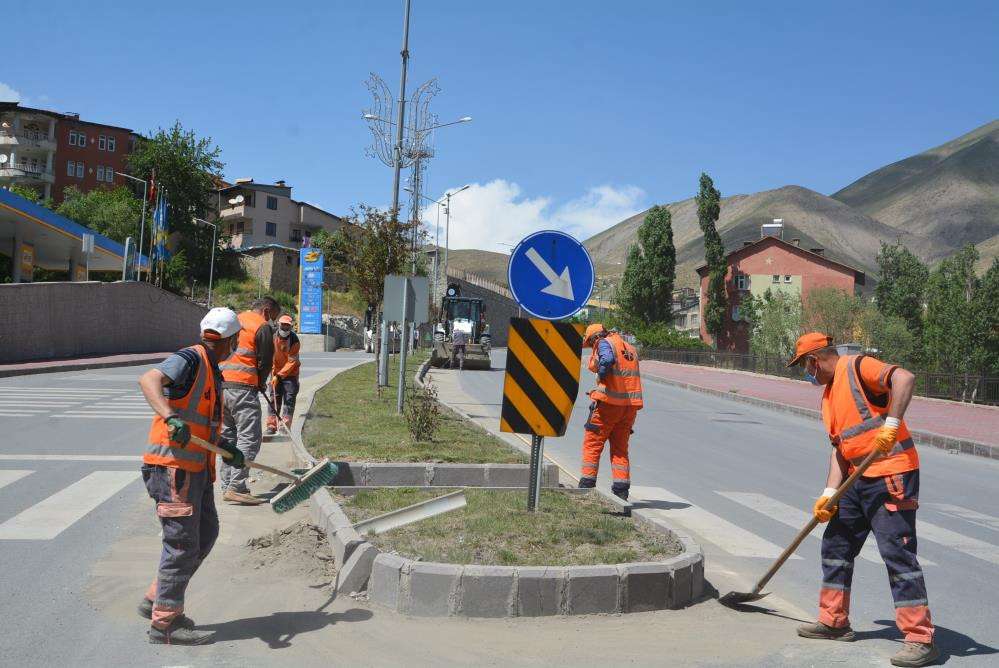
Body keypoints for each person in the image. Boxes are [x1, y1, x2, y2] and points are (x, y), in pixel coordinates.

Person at [788, 332, 938, 668]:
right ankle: (834, 622)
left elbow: (905, 378)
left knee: (897, 553)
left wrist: (893, 424)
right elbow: (840, 450)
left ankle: (919, 638)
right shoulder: (828, 397)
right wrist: (829, 494)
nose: (807, 374)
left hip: (892, 474)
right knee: (836, 547)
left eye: (805, 367)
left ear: (815, 360)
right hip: (857, 479)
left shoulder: (858, 366)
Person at [137, 307, 245, 645]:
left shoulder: (213, 369)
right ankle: (165, 624)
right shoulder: (191, 359)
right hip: (173, 469)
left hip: (196, 470)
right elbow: (149, 379)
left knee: (207, 532)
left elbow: (204, 418)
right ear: (231, 340)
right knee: (182, 545)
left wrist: (227, 447)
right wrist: (170, 417)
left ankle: (157, 597)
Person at [218, 296, 280, 505]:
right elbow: (265, 361)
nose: (273, 322)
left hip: (222, 388)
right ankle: (237, 486)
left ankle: (227, 485)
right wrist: (261, 383)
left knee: (228, 438)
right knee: (249, 438)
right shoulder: (261, 326)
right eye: (273, 317)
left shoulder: (234, 320)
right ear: (266, 311)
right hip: (243, 389)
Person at [577, 323, 643, 501]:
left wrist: (601, 374)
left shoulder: (604, 343)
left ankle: (586, 488)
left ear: (594, 338)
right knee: (620, 449)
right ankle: (621, 492)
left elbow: (606, 360)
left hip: (609, 405)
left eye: (590, 344)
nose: (592, 348)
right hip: (629, 407)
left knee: (593, 443)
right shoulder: (628, 347)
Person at [266, 314, 300, 434]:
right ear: (279, 324)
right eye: (283, 325)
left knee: (289, 399)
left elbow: (292, 362)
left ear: (290, 327)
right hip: (275, 372)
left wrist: (279, 375)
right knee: (273, 398)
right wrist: (272, 371)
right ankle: (271, 425)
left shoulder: (294, 341)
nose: (285, 328)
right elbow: (269, 353)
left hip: (290, 373)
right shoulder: (272, 336)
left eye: (287, 326)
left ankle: (285, 425)